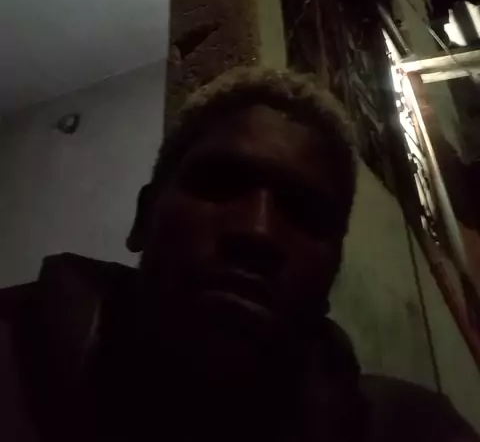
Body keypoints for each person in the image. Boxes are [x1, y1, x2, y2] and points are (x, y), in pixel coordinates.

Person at [0, 67, 477, 441]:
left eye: (306, 212)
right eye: (218, 184)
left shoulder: (414, 429)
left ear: (335, 266)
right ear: (144, 216)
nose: (257, 231)